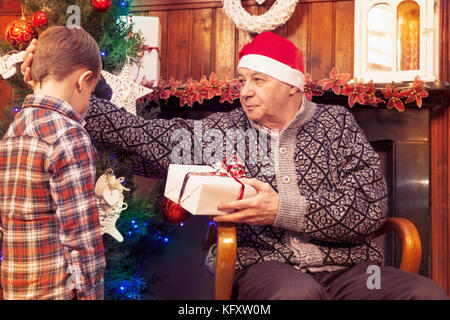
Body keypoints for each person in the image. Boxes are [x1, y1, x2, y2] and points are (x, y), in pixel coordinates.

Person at [22, 31, 447, 299]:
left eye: (257, 80)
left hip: (353, 271)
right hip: (269, 266)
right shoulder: (225, 128)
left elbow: (368, 208)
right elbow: (141, 135)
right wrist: (55, 85)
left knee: (424, 293)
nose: (244, 91)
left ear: (292, 87)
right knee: (292, 295)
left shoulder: (337, 123)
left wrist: (280, 209)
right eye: (241, 80)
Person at [1, 26, 106, 300]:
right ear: (83, 80)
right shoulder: (69, 135)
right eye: (91, 92)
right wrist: (91, 293)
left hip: (15, 287)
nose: (88, 102)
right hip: (57, 290)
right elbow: (82, 237)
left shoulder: (15, 128)